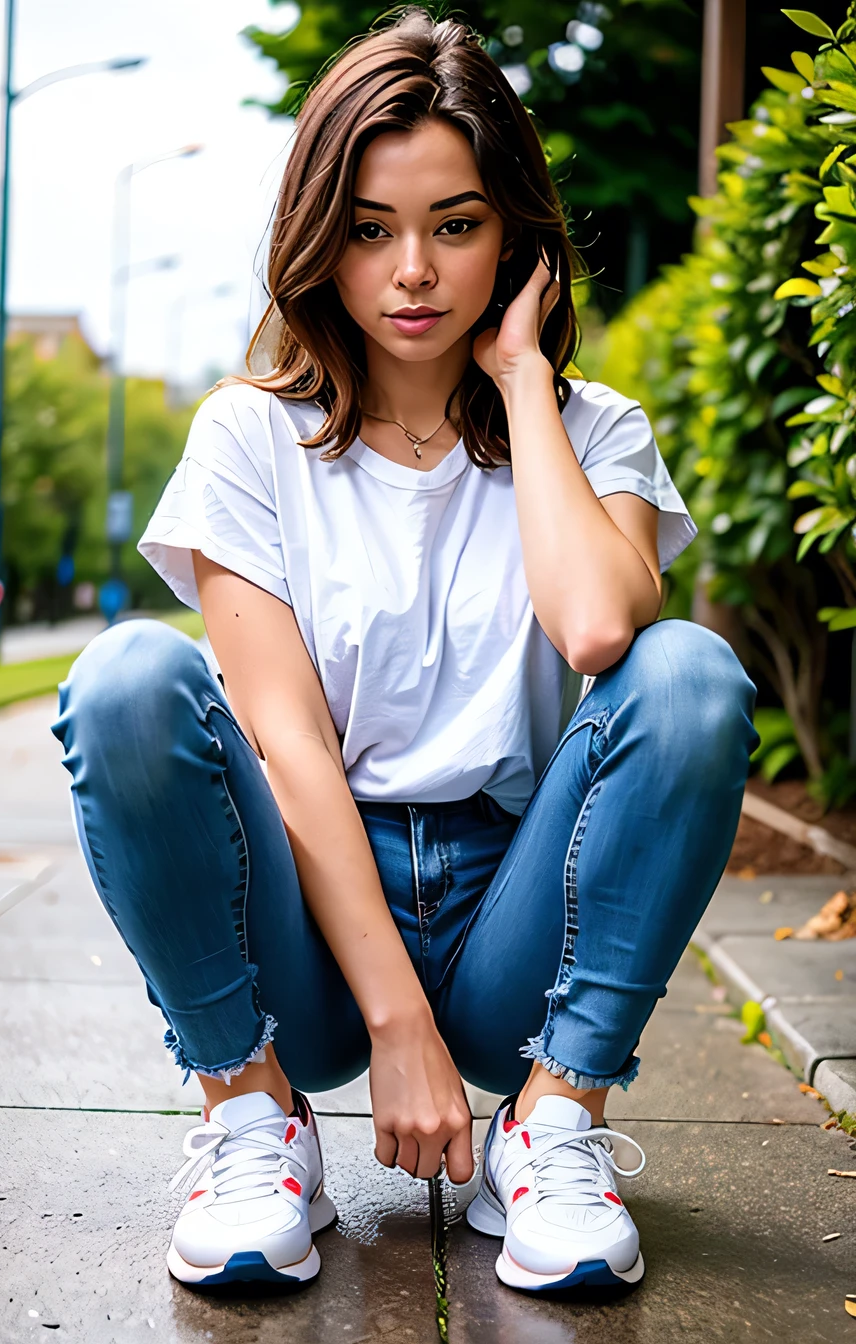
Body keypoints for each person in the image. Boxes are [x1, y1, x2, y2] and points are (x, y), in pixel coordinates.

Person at [52, 8, 758, 1297]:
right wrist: (389, 1022)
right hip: (313, 930)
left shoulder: (596, 433)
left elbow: (603, 630)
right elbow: (291, 748)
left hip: (516, 919)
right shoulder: (247, 442)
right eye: (373, 229)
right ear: (323, 239)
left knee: (691, 677)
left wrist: (527, 384)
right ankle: (252, 1120)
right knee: (124, 682)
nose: (413, 270)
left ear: (520, 238)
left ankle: (554, 1126)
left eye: (457, 223)